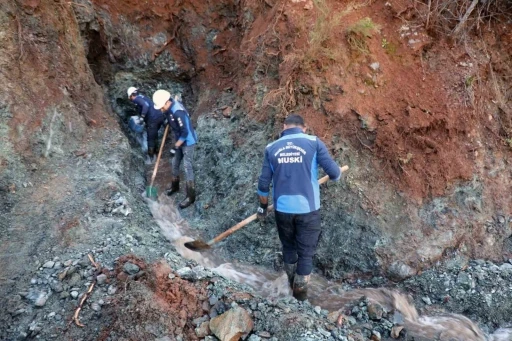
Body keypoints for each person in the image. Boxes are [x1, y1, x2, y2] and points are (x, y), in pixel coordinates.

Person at [256, 114, 344, 301]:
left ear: (284, 127)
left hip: (282, 210)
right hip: (308, 210)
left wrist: (263, 208)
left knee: (289, 247)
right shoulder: (313, 143)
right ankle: (300, 296)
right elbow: (335, 173)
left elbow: (263, 184)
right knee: (306, 253)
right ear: (304, 127)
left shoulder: (271, 148)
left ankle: (290, 285)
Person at [153, 89, 198, 209]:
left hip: (188, 141)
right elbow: (170, 118)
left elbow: (185, 132)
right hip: (179, 139)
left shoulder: (178, 112)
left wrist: (176, 146)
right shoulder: (168, 108)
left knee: (187, 167)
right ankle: (175, 186)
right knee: (174, 163)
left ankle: (190, 196)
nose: (161, 110)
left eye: (162, 107)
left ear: (167, 103)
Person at [127, 87, 165, 161]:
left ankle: (151, 159)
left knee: (150, 139)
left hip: (153, 119)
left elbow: (145, 106)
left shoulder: (136, 99)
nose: (130, 99)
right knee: (154, 135)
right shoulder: (142, 97)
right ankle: (156, 153)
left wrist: (142, 117)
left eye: (129, 97)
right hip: (159, 116)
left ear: (131, 95)